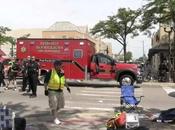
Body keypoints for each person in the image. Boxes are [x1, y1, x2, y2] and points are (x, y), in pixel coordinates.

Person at [44, 60, 71, 125]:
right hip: (52, 91)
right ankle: (55, 119)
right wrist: (45, 90)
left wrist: (67, 87)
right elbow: (46, 82)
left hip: (60, 91)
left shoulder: (62, 72)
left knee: (60, 105)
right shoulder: (50, 72)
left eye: (61, 65)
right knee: (54, 106)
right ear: (56, 66)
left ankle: (53, 112)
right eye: (60, 65)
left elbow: (64, 80)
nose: (61, 67)